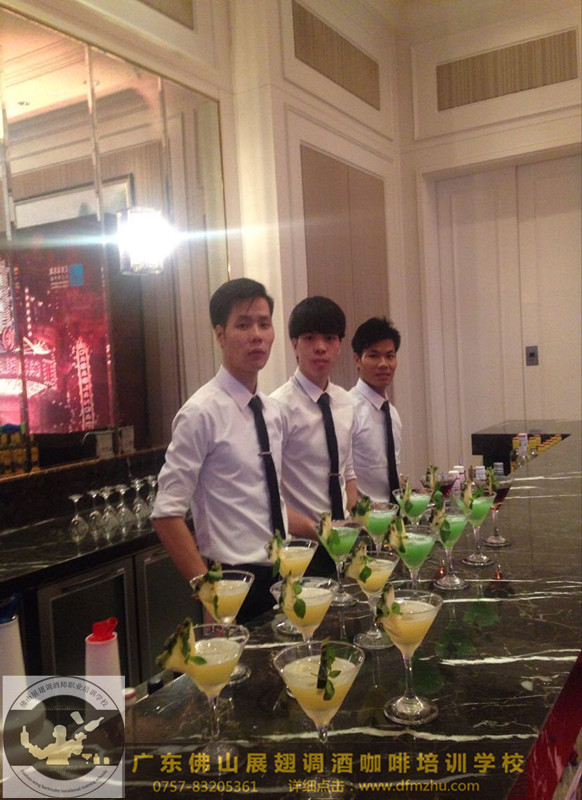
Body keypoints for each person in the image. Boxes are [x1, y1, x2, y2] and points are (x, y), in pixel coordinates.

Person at [152, 278, 287, 623]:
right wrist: (210, 594)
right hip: (231, 580)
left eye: (264, 323)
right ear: (220, 334)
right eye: (243, 324)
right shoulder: (200, 413)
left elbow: (269, 497)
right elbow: (166, 514)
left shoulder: (272, 411)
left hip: (283, 575)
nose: (257, 335)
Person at [271, 296, 357, 574]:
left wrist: (357, 519)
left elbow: (347, 469)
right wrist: (319, 530)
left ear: (339, 344)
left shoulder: (345, 402)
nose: (320, 347)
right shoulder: (277, 408)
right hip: (301, 549)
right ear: (294, 344)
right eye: (309, 338)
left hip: (345, 541)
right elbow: (267, 494)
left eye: (329, 338)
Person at [350, 316, 402, 503]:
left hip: (395, 514)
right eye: (373, 356)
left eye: (390, 356)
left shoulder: (392, 414)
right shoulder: (348, 410)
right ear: (358, 360)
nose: (383, 364)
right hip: (363, 517)